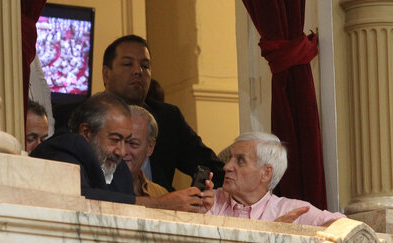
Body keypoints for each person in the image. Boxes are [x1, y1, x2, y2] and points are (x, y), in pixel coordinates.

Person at [31, 92, 213, 212]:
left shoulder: (118, 170)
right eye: (115, 139)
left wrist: (192, 209)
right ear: (86, 132)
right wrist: (160, 204)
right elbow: (77, 199)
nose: (121, 151)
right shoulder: (61, 151)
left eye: (127, 141)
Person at [102, 35, 224, 191]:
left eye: (145, 66)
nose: (138, 71)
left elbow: (208, 165)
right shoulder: (82, 115)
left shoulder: (168, 118)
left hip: (161, 210)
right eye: (127, 64)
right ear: (106, 74)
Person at [207, 132, 345, 226]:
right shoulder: (207, 201)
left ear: (266, 173)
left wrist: (284, 234)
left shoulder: (290, 211)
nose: (227, 166)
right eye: (230, 158)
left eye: (240, 160)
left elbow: (347, 227)